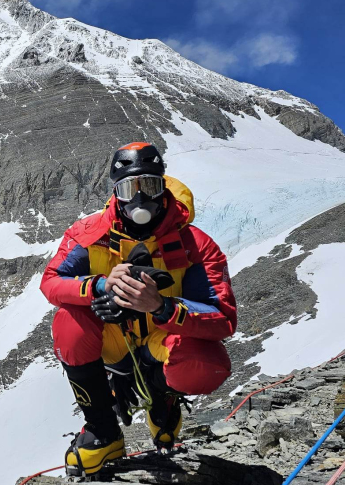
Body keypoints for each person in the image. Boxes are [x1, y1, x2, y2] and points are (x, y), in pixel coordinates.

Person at [39, 142, 237, 477]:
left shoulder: (195, 244)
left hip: (163, 340)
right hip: (114, 340)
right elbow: (51, 282)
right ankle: (103, 431)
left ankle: (163, 397)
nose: (140, 198)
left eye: (150, 185)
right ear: (116, 193)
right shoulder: (89, 235)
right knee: (69, 323)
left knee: (208, 365)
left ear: (164, 187)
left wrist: (162, 307)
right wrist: (99, 287)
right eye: (130, 187)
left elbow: (222, 319)